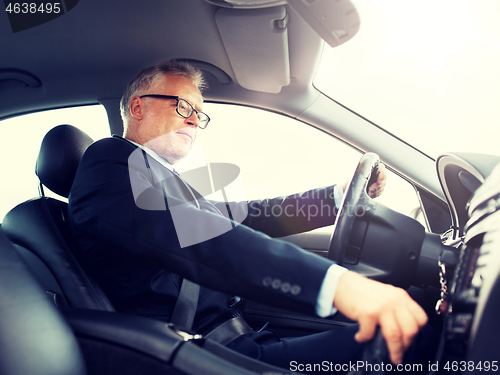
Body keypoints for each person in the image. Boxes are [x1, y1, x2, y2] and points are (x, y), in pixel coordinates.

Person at [68, 60, 430, 371]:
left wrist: (336, 198)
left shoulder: (161, 178)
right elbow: (197, 236)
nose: (195, 120)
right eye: (182, 106)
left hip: (236, 337)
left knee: (412, 326)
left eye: (200, 112)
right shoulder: (108, 163)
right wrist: (337, 284)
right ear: (138, 107)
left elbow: (247, 216)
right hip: (200, 354)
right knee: (415, 338)